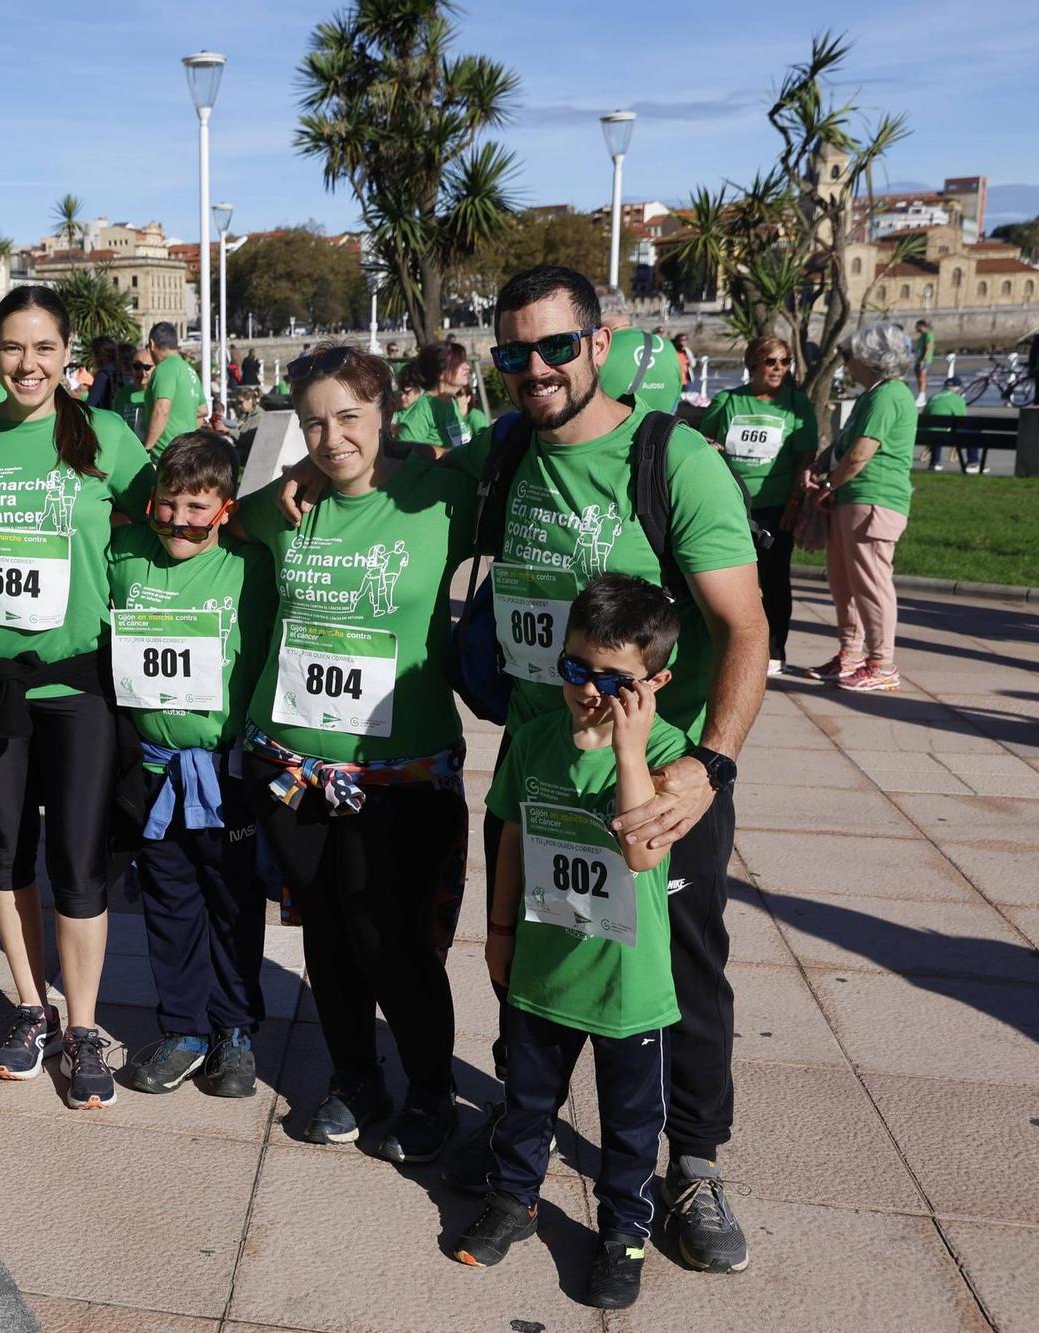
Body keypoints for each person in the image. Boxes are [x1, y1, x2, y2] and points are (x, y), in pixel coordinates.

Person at [445, 266, 765, 1275]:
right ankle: (518, 1149)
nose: (532, 369)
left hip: (660, 772)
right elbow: (407, 496)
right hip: (545, 757)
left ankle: (693, 1165)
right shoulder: (502, 456)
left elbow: (744, 626)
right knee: (536, 956)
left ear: (598, 343)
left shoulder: (672, 463)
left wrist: (707, 766)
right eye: (511, 354)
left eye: (551, 348)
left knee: (677, 967)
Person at [241, 343, 475, 1155]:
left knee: (399, 940)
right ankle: (353, 1074)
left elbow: (509, 444)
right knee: (328, 933)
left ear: (385, 414)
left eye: (349, 416)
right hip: (294, 770)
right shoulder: (285, 507)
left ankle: (433, 1089)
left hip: (401, 773)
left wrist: (412, 452)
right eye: (314, 421)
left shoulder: (437, 496)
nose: (331, 435)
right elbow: (231, 524)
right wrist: (287, 479)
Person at [455, 574, 688, 1312]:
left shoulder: (671, 753)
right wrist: (496, 934)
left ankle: (623, 1231)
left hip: (628, 985)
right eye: (576, 669)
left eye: (616, 681)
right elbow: (514, 834)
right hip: (544, 968)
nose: (591, 691)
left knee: (629, 1125)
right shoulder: (532, 738)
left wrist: (627, 747)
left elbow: (644, 850)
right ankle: (514, 1197)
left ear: (656, 682)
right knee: (526, 1101)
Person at [0, 284, 153, 1109]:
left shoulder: (104, 434)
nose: (27, 364)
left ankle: (85, 1024)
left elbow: (171, 518)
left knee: (77, 859)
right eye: (11, 348)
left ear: (68, 353)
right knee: (3, 853)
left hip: (77, 685)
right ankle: (30, 1007)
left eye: (43, 348)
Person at [108, 435, 274, 1099]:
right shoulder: (125, 556)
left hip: (224, 771)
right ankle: (184, 1028)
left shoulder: (249, 566)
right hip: (153, 771)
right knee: (171, 904)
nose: (179, 520)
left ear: (227, 508)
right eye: (167, 505)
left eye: (197, 507)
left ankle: (235, 1029)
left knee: (232, 903)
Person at [700, 336, 818, 674]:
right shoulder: (728, 401)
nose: (779, 368)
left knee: (775, 579)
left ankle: (774, 650)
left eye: (784, 361)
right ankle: (727, 645)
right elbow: (704, 443)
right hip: (732, 503)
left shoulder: (796, 404)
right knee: (730, 577)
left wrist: (795, 501)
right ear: (753, 365)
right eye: (771, 361)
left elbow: (804, 457)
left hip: (777, 504)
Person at [809, 323, 915, 694]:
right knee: (844, 583)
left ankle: (881, 662)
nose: (844, 363)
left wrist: (828, 483)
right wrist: (824, 470)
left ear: (870, 358)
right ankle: (851, 654)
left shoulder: (888, 395)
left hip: (874, 498)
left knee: (871, 583)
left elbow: (861, 452)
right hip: (853, 498)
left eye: (848, 356)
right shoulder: (872, 395)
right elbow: (844, 447)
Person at [595, 286, 680, 413]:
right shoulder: (668, 347)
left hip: (615, 431)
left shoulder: (596, 351)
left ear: (593, 312)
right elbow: (675, 400)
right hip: (665, 430)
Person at [392, 339, 478, 455]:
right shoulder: (424, 409)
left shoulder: (451, 403)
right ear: (441, 374)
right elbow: (404, 449)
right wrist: (442, 454)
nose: (467, 367)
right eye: (459, 363)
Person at [143, 321, 205, 456]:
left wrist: (146, 448)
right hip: (186, 450)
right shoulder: (189, 370)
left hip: (164, 454)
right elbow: (202, 410)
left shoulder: (164, 368)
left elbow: (161, 410)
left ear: (152, 344)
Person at [921, 375, 970, 472]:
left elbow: (924, 414)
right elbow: (962, 419)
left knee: (936, 429)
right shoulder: (957, 399)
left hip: (925, 433)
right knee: (973, 433)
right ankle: (973, 462)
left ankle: (935, 462)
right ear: (957, 388)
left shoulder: (933, 397)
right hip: (944, 433)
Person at [112, 349, 154, 443]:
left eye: (147, 367)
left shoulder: (158, 393)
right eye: (137, 366)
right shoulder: (122, 394)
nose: (142, 372)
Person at [912, 319, 936, 401]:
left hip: (925, 360)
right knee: (918, 377)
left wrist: (923, 360)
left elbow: (928, 347)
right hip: (918, 359)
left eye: (917, 326)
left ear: (922, 326)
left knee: (922, 377)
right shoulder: (922, 336)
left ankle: (922, 396)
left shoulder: (929, 335)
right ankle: (921, 394)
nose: (916, 328)